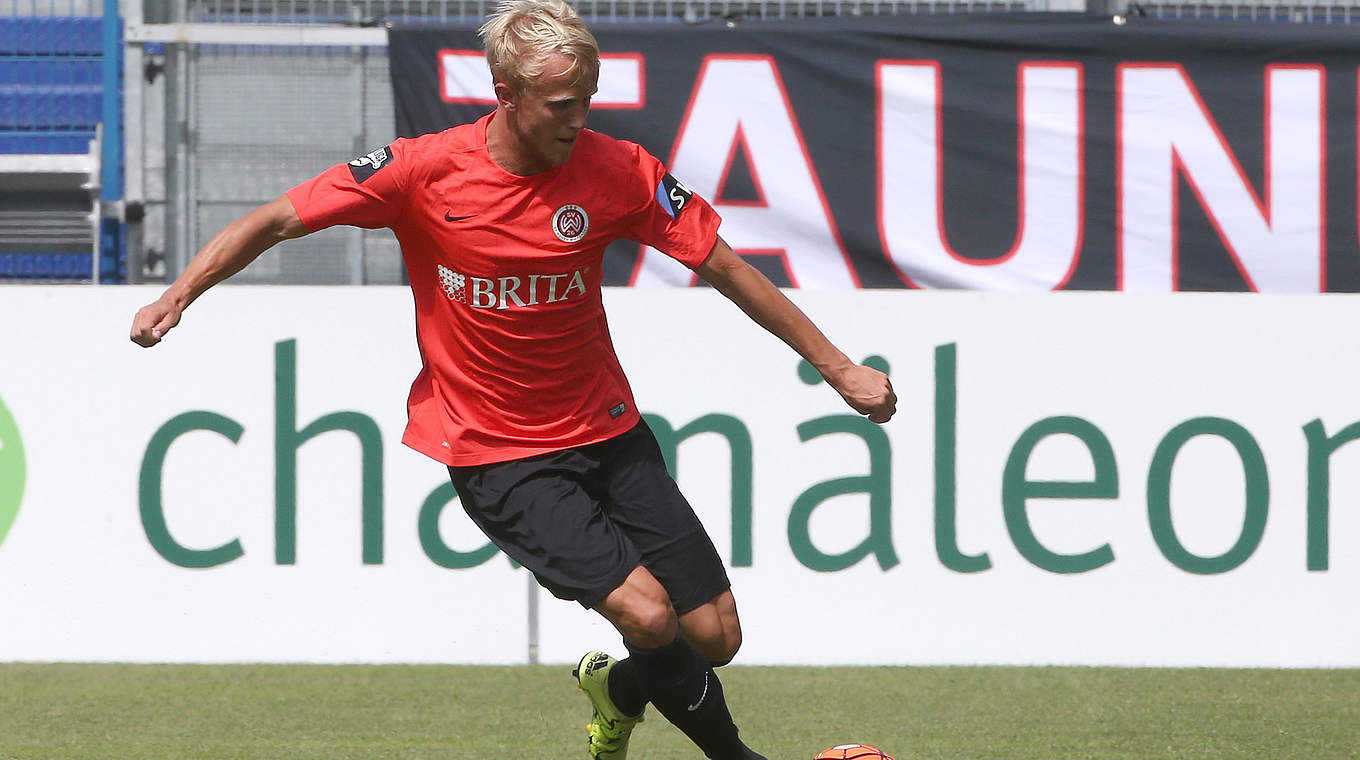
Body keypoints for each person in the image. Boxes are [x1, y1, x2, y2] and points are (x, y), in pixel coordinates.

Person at [130, 1, 896, 758]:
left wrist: (837, 369)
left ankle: (620, 693)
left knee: (714, 635)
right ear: (508, 96)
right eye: (563, 105)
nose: (579, 119)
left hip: (611, 433)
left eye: (589, 101)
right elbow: (274, 219)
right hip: (501, 455)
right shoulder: (424, 171)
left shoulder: (621, 171)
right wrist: (177, 296)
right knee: (651, 618)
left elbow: (725, 267)